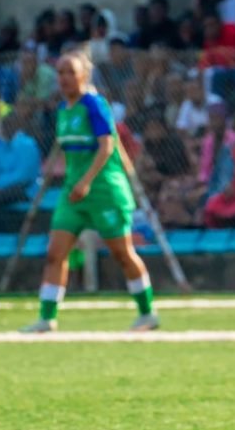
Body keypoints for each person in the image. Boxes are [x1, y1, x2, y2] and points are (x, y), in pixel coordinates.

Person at [18, 49, 158, 333]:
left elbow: (107, 146)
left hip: (103, 189)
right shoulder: (62, 110)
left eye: (71, 72)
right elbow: (71, 153)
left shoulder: (94, 105)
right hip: (74, 193)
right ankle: (47, 318)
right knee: (55, 254)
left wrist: (87, 181)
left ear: (84, 75)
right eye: (60, 72)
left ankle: (147, 313)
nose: (65, 78)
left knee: (122, 253)